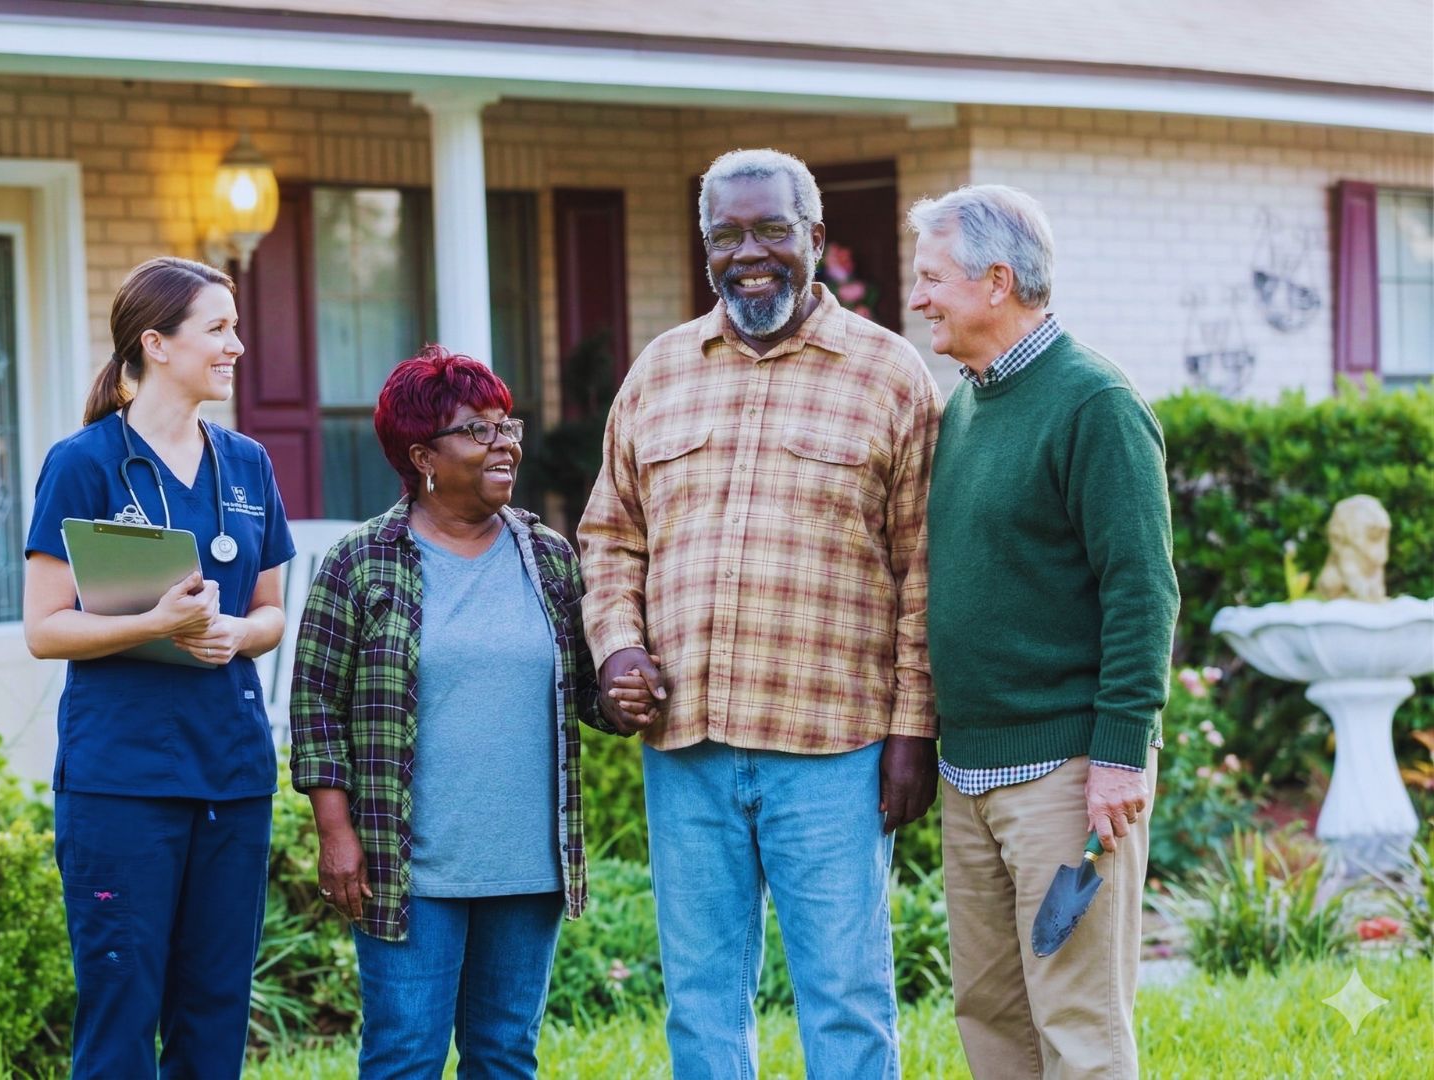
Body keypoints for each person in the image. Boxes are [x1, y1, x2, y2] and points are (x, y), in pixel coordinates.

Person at [577, 147, 941, 1079]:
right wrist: (617, 650)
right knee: (701, 1003)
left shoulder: (891, 376)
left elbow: (923, 570)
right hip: (687, 747)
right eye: (727, 235)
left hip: (835, 748)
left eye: (772, 230)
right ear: (705, 250)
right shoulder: (658, 373)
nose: (751, 253)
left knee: (847, 999)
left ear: (814, 237)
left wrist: (913, 730)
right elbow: (610, 537)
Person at [909, 184, 1177, 1080]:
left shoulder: (1093, 402)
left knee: (1078, 1025)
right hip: (971, 772)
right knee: (990, 1016)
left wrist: (1119, 756)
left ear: (996, 281)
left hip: (1066, 778)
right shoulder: (967, 407)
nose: (918, 300)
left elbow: (1143, 591)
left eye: (932, 279)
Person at [290, 345, 617, 1080]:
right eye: (479, 430)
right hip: (409, 870)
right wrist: (335, 834)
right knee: (405, 1057)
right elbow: (315, 709)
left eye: (508, 426)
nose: (504, 444)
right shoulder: (361, 563)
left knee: (504, 1057)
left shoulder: (548, 556)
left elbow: (590, 692)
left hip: (526, 866)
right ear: (422, 456)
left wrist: (629, 696)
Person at [21, 256, 295, 1079]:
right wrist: (156, 623)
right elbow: (43, 627)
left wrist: (235, 634)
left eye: (234, 328)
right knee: (120, 1015)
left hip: (232, 775)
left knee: (214, 1018)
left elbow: (273, 612)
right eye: (217, 329)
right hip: (123, 783)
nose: (236, 346)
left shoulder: (247, 465)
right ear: (156, 343)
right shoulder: (86, 463)